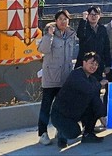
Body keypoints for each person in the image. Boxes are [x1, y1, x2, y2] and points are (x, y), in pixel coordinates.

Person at [50, 52, 107, 148]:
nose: (94, 66)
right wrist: (100, 84)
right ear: (84, 62)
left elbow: (95, 99)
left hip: (76, 113)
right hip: (61, 115)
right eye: (91, 63)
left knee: (94, 107)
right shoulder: (76, 74)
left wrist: (102, 116)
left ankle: (88, 134)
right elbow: (88, 89)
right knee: (74, 133)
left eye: (96, 64)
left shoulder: (92, 79)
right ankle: (61, 134)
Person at [36, 9, 77, 146]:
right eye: (60, 19)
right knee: (46, 107)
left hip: (65, 78)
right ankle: (42, 133)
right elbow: (43, 50)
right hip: (51, 77)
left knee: (62, 108)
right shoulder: (50, 33)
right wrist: (49, 35)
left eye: (65, 19)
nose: (63, 21)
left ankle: (60, 131)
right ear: (55, 21)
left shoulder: (71, 34)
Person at [75, 6, 111, 81]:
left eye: (95, 15)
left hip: (98, 63)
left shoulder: (102, 29)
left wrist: (108, 64)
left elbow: (106, 47)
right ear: (88, 16)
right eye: (91, 14)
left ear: (99, 16)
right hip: (85, 62)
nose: (93, 17)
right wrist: (83, 20)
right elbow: (80, 34)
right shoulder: (84, 27)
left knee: (97, 83)